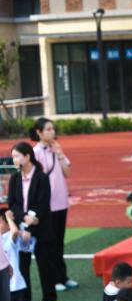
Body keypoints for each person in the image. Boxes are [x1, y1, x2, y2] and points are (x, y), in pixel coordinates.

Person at [8, 141, 58, 301]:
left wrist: (31, 226)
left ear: (27, 156)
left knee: (45, 267)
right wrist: (24, 218)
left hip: (41, 230)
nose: (14, 160)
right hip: (22, 230)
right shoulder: (15, 178)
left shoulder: (41, 178)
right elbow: (12, 204)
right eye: (13, 157)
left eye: (17, 156)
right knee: (23, 269)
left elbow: (43, 205)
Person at [30, 118, 75, 291]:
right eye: (48, 129)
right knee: (49, 243)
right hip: (46, 206)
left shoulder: (56, 149)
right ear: (39, 132)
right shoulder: (36, 152)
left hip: (60, 202)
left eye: (52, 129)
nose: (52, 132)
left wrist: (60, 154)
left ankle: (62, 276)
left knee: (59, 241)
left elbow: (68, 173)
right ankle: (54, 279)